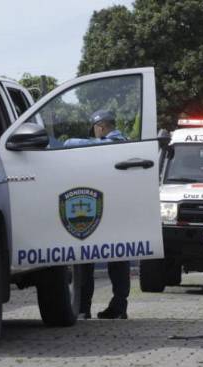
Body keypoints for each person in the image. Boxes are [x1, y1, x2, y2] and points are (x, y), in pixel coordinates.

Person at [65, 110, 131, 319]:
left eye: (94, 129)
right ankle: (113, 306)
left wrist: (68, 142)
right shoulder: (120, 142)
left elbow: (84, 145)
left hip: (106, 208)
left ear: (100, 127)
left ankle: (87, 307)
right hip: (113, 207)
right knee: (115, 258)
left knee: (91, 257)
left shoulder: (116, 141)